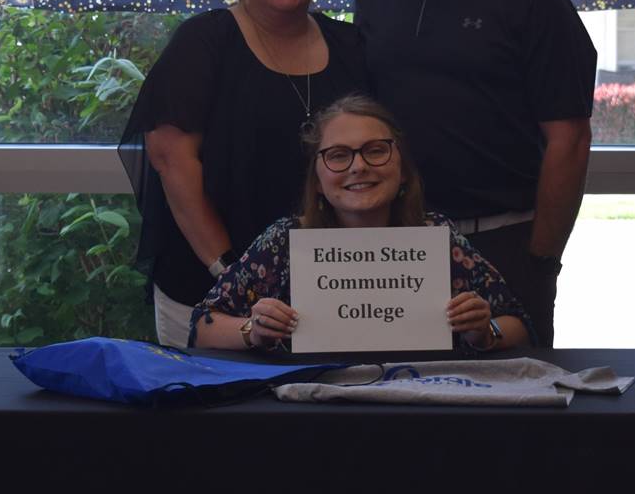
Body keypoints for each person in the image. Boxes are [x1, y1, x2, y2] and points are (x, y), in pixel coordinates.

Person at [352, 0, 597, 347]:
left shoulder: (535, 2)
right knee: (390, 408)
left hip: (504, 245)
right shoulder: (375, 0)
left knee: (504, 415)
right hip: (394, 248)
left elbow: (569, 141)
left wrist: (540, 260)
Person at [119, 0, 369, 347]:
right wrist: (231, 272)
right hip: (211, 293)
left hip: (326, 294)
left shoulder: (351, 46)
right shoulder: (203, 43)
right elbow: (170, 161)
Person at [190, 95, 529, 352]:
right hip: (308, 412)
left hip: (420, 407)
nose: (359, 167)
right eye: (338, 155)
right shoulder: (285, 240)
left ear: (403, 170)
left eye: (376, 150)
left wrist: (483, 331)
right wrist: (253, 329)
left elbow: (520, 325)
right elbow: (202, 328)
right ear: (318, 182)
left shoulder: (436, 236)